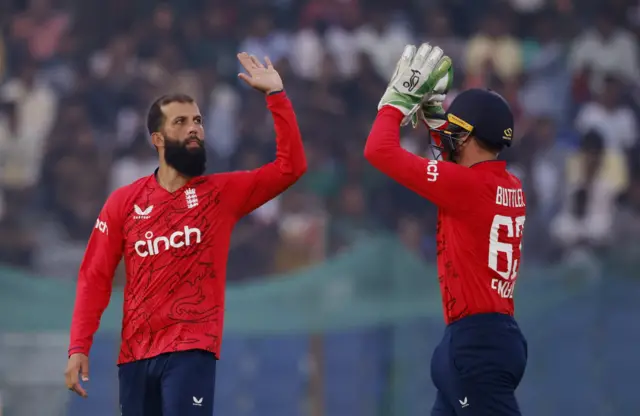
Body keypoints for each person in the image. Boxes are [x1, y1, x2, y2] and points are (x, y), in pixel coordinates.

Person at [64, 52, 307, 415]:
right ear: (158, 139)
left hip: (191, 350)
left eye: (198, 120)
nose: (194, 127)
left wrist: (277, 97)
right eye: (181, 122)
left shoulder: (221, 193)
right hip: (134, 355)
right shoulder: (123, 202)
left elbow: (291, 167)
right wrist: (78, 346)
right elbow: (94, 276)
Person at [364, 43, 527, 415]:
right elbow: (456, 156)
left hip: (476, 345)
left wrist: (398, 101)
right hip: (481, 339)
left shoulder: (464, 186)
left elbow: (378, 150)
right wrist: (435, 113)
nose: (446, 137)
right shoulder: (511, 185)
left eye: (455, 131)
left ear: (467, 137)